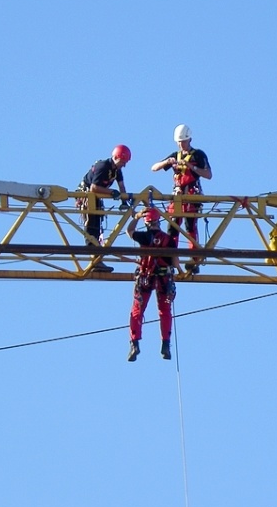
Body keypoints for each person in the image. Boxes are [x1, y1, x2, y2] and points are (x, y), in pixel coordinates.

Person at [150, 124, 212, 274]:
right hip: (177, 197)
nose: (180, 144)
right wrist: (167, 162)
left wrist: (191, 166)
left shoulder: (198, 155)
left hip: (192, 195)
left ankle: (193, 260)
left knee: (190, 228)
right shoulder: (175, 155)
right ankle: (171, 258)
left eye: (182, 141)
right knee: (172, 228)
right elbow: (154, 167)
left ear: (189, 139)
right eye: (178, 142)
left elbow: (208, 175)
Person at [126, 206, 182, 362]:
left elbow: (129, 231)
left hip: (146, 277)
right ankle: (165, 345)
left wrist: (136, 217)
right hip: (164, 280)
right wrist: (181, 272)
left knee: (137, 310)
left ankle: (134, 344)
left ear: (147, 222)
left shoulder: (144, 237)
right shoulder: (169, 240)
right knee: (165, 311)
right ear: (159, 221)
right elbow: (175, 261)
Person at [77, 145, 132, 272]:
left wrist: (125, 200)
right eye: (123, 162)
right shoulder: (103, 166)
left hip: (96, 196)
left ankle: (97, 257)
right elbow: (93, 188)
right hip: (87, 195)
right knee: (92, 223)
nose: (124, 165)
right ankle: (94, 254)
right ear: (116, 157)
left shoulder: (117, 171)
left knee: (98, 224)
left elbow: (122, 187)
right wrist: (112, 192)